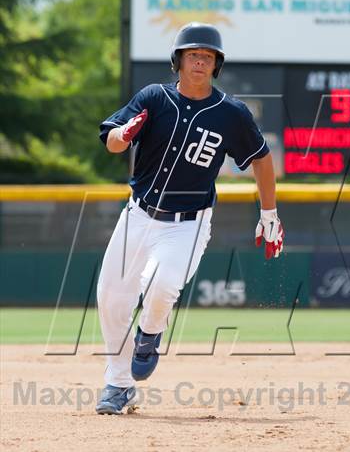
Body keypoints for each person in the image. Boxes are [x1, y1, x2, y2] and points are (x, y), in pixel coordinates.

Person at [95, 22, 284, 415]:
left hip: (188, 223)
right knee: (111, 299)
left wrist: (270, 212)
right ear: (178, 60)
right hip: (138, 215)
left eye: (208, 56)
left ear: (216, 65)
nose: (200, 60)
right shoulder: (153, 97)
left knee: (163, 287)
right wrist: (123, 135)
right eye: (193, 54)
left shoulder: (231, 113)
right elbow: (112, 139)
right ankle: (118, 384)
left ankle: (150, 331)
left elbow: (262, 159)